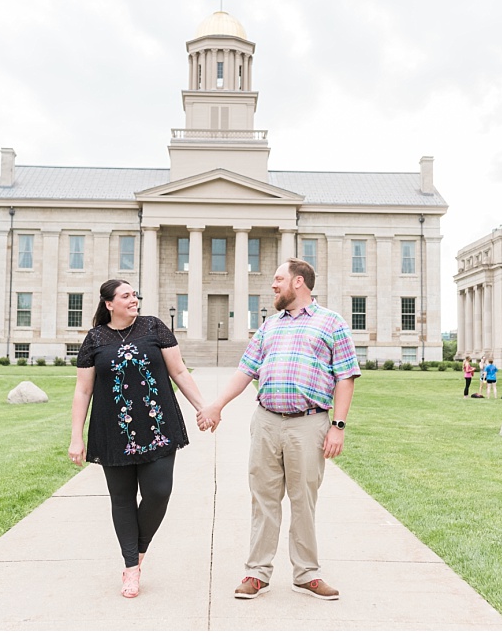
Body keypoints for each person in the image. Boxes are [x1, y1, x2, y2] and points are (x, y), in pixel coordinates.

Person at [199, 258, 359, 602]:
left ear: (298, 282)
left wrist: (338, 427)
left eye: (278, 279)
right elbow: (245, 371)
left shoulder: (332, 323)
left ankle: (307, 574)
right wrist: (217, 405)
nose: (273, 285)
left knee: (304, 501)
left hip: (310, 423)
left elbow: (346, 376)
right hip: (267, 421)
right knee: (263, 499)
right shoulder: (269, 326)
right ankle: (257, 573)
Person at [68, 279, 206, 599]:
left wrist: (203, 408)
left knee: (159, 492)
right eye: (126, 296)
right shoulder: (94, 339)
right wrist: (76, 437)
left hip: (159, 427)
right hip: (111, 432)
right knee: (122, 500)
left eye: (135, 295)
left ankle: (138, 551)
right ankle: (131, 567)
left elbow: (180, 372)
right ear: (109, 304)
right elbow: (83, 390)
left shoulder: (154, 328)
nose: (134, 300)